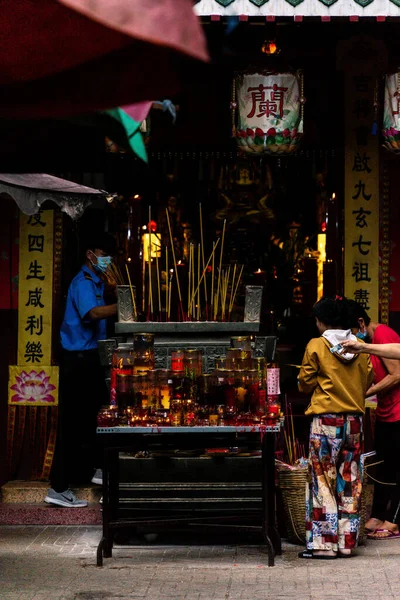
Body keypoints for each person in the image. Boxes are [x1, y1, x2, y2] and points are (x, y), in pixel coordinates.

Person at [45, 234, 117, 508]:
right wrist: (124, 304)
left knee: (99, 415)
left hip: (88, 360)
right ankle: (59, 486)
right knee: (74, 423)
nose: (107, 260)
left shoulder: (96, 281)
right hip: (77, 361)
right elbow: (93, 314)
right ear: (90, 253)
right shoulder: (83, 283)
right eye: (103, 253)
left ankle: (99, 469)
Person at [298, 297, 374, 559]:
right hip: (355, 421)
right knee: (350, 480)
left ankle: (323, 545)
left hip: (326, 421)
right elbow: (368, 378)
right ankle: (346, 542)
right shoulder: (361, 346)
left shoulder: (317, 345)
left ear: (320, 322)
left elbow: (305, 383)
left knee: (322, 481)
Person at [340, 302, 400, 539]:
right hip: (386, 411)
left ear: (361, 324)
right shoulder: (370, 342)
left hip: (398, 412)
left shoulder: (382, 333)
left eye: (351, 333)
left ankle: (394, 522)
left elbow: (397, 373)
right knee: (383, 466)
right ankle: (377, 514)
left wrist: (362, 394)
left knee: (397, 468)